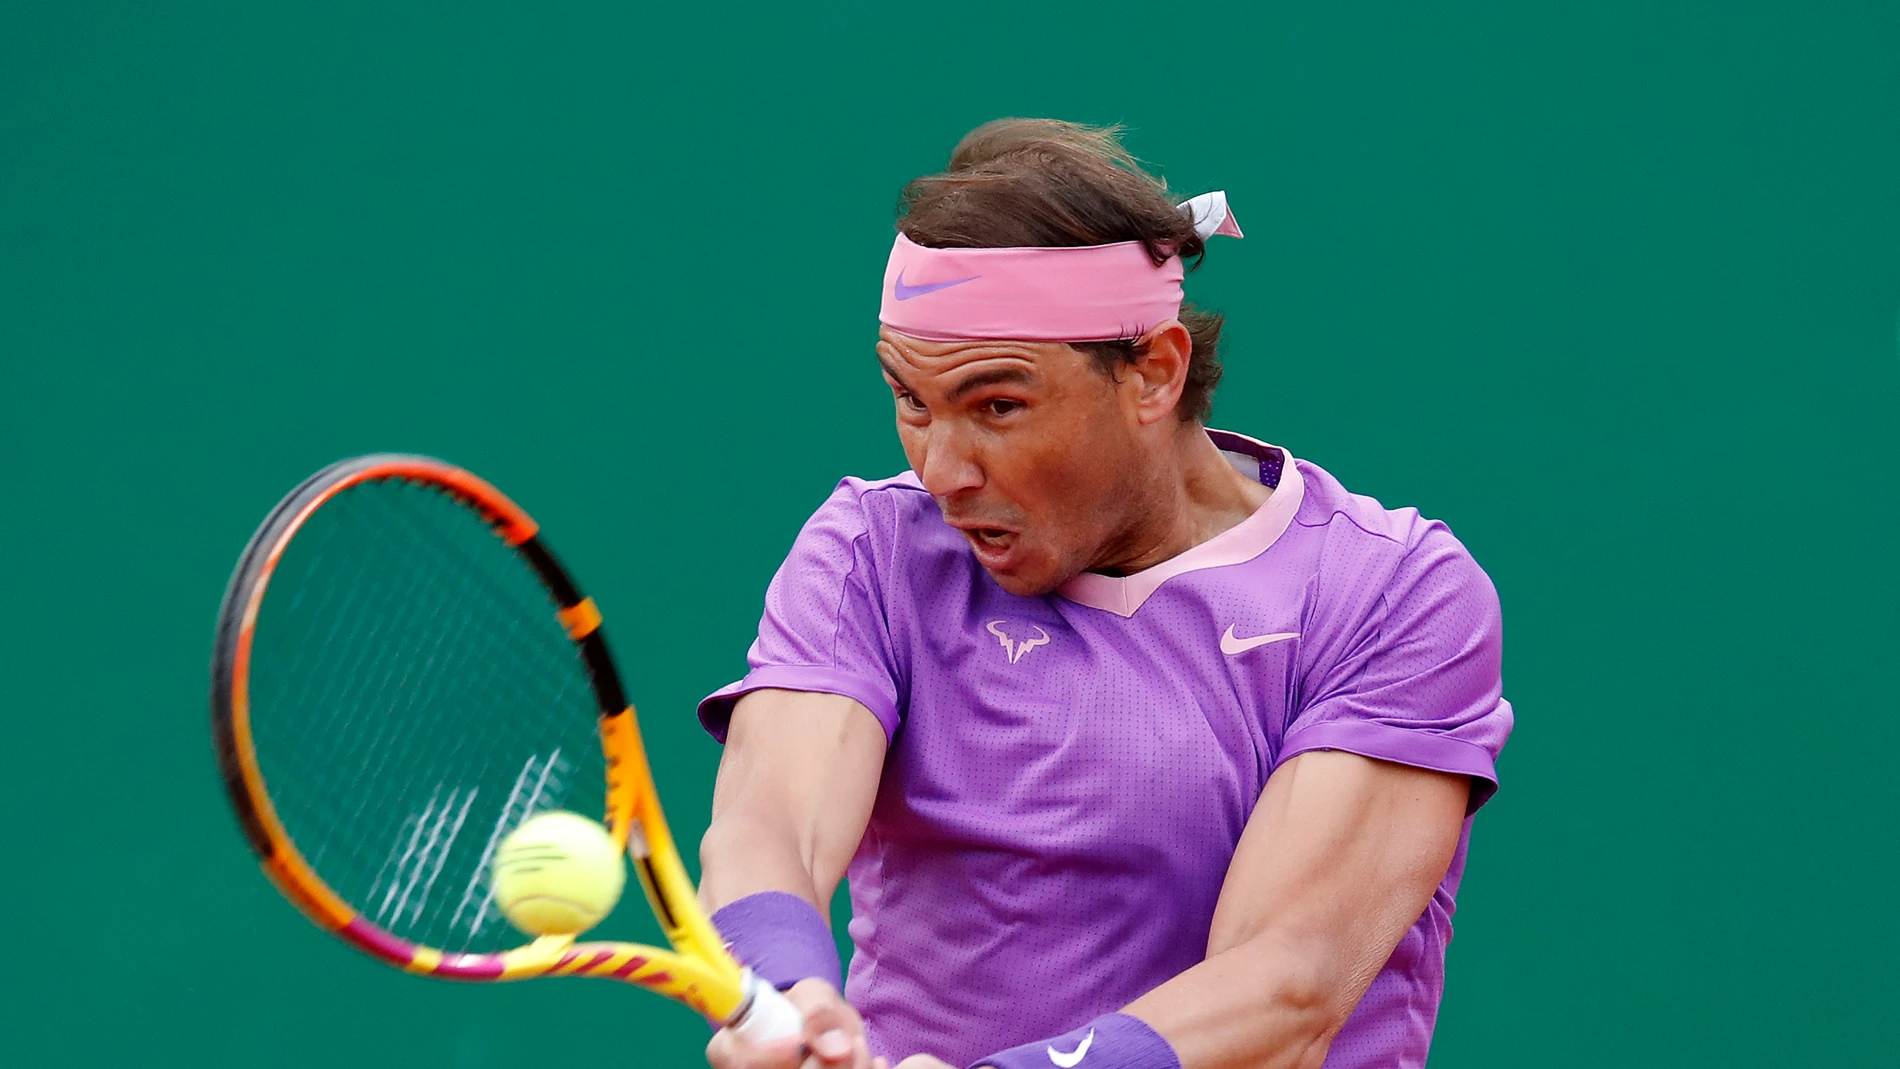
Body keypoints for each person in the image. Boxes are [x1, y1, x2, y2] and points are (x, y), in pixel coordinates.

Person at [696, 118, 1512, 1069]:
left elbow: (1287, 986)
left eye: (999, 405)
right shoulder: (872, 551)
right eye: (912, 400)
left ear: (1153, 372)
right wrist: (789, 992)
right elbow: (770, 827)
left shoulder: (1391, 594)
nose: (943, 470)